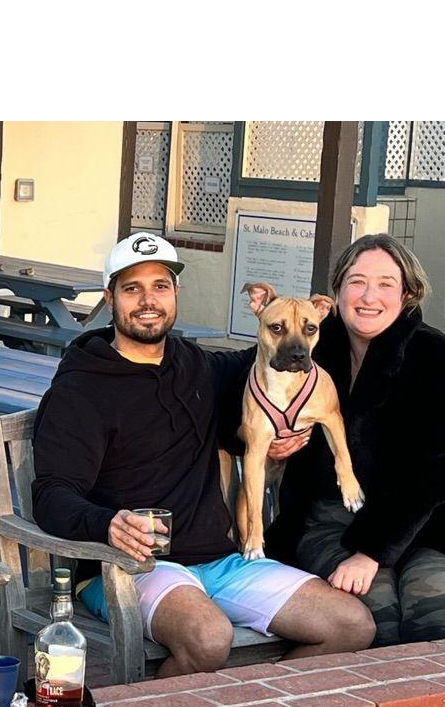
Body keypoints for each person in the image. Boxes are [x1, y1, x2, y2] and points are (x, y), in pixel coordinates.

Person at [32, 232, 374, 678]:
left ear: (176, 293)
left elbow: (276, 351)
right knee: (209, 638)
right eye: (132, 288)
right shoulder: (80, 389)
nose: (148, 300)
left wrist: (357, 318)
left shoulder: (194, 365)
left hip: (220, 561)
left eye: (160, 286)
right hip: (127, 566)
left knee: (351, 624)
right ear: (109, 298)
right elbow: (51, 494)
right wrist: (107, 523)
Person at [266, 233, 445, 646]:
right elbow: (244, 387)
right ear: (337, 290)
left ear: (407, 294)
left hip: (423, 525)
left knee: (433, 613)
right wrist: (268, 442)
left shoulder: (433, 355)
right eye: (357, 281)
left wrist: (371, 552)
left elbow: (431, 473)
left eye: (385, 284)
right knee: (374, 613)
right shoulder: (310, 345)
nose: (368, 296)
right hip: (330, 522)